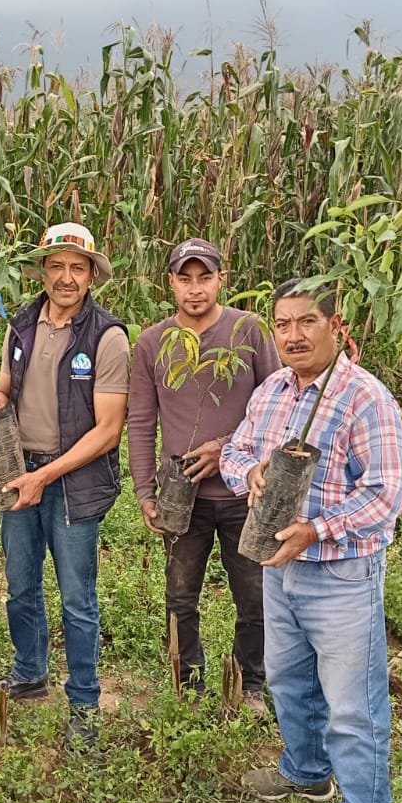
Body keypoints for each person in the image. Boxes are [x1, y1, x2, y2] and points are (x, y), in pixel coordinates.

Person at [220, 280, 402, 803]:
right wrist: (248, 473)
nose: (293, 335)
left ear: (335, 325)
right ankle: (306, 773)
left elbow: (386, 494)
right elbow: (234, 451)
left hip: (340, 573)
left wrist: (316, 529)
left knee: (353, 703)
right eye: (283, 324)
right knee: (286, 679)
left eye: (307, 322)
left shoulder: (363, 397)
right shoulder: (273, 390)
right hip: (280, 570)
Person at [0, 222, 129, 751]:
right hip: (21, 471)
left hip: (72, 484)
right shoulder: (19, 324)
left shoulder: (106, 336)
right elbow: (6, 392)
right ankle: (29, 672)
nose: (66, 277)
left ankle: (84, 701)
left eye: (77, 268)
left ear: (91, 277)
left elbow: (108, 431)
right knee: (20, 586)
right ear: (42, 271)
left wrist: (46, 475)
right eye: (57, 266)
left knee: (77, 599)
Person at [127, 238, 279, 711]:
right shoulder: (153, 343)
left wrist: (227, 450)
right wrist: (144, 491)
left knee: (253, 595)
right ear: (170, 283)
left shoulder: (248, 332)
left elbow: (276, 407)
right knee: (180, 595)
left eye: (205, 277)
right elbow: (140, 421)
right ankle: (187, 686)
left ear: (221, 279)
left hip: (243, 492)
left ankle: (250, 684)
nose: (195, 289)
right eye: (185, 279)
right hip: (180, 494)